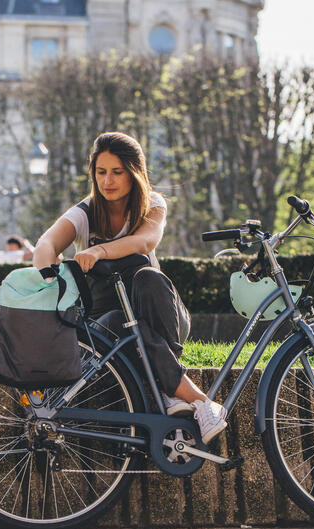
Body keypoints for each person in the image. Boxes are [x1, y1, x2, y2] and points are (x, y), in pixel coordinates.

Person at [33, 131, 227, 444]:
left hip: (161, 314)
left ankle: (169, 387)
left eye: (117, 172)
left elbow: (145, 241)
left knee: (148, 277)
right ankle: (194, 398)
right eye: (101, 172)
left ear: (134, 173)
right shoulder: (84, 212)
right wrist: (46, 273)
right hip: (110, 326)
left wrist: (99, 250)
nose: (107, 181)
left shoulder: (152, 204)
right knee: (118, 321)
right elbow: (46, 242)